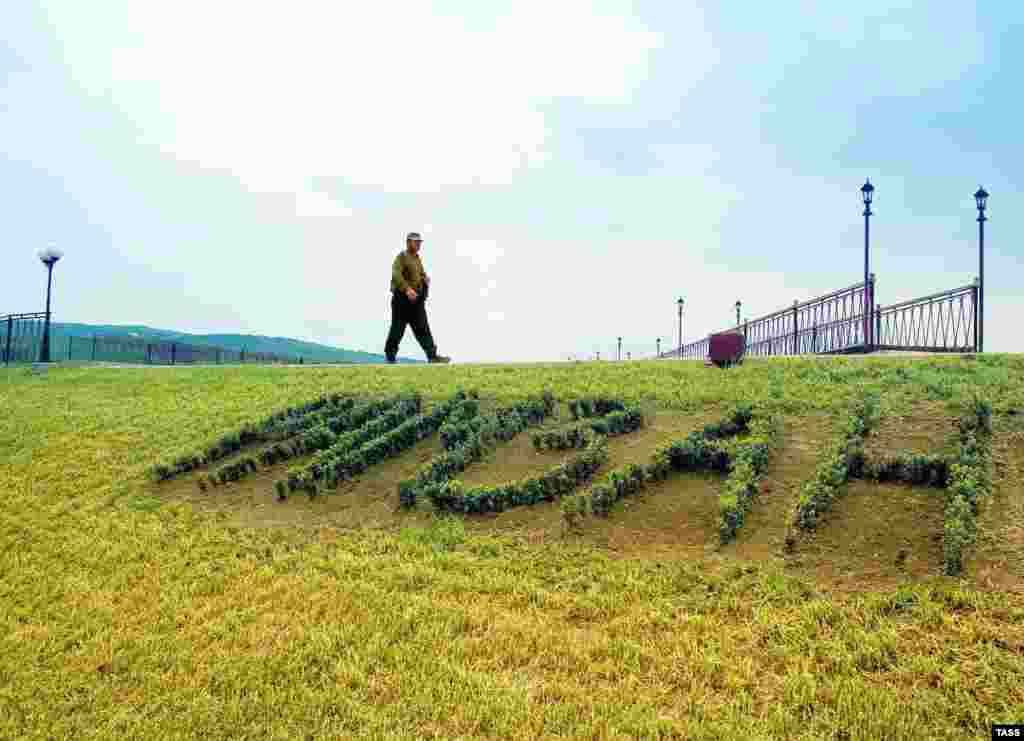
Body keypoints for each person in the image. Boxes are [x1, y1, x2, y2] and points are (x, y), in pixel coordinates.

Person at [384, 232, 451, 364]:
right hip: (402, 300)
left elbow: (420, 274)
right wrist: (406, 289)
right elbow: (396, 274)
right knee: (398, 328)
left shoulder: (417, 258)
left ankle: (432, 356)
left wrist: (424, 279)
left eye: (420, 242)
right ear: (408, 242)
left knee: (423, 328)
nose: (419, 244)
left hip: (416, 301)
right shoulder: (402, 257)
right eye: (416, 242)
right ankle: (390, 357)